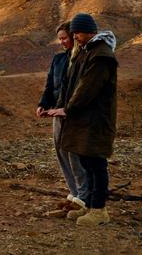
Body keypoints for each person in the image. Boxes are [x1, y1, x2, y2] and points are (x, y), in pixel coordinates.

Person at [47, 13, 117, 226]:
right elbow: (71, 84)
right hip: (84, 118)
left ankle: (99, 210)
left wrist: (67, 109)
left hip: (96, 119)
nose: (74, 36)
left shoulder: (101, 55)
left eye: (77, 32)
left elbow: (87, 88)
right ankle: (87, 205)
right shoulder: (88, 52)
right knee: (87, 162)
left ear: (88, 31)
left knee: (97, 164)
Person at [36, 22, 88, 219]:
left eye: (65, 38)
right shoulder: (58, 59)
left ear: (74, 36)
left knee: (74, 153)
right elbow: (51, 85)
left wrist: (68, 109)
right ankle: (73, 194)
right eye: (60, 39)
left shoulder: (82, 58)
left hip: (74, 113)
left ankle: (83, 197)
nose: (62, 42)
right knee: (60, 151)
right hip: (56, 112)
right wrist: (43, 104)